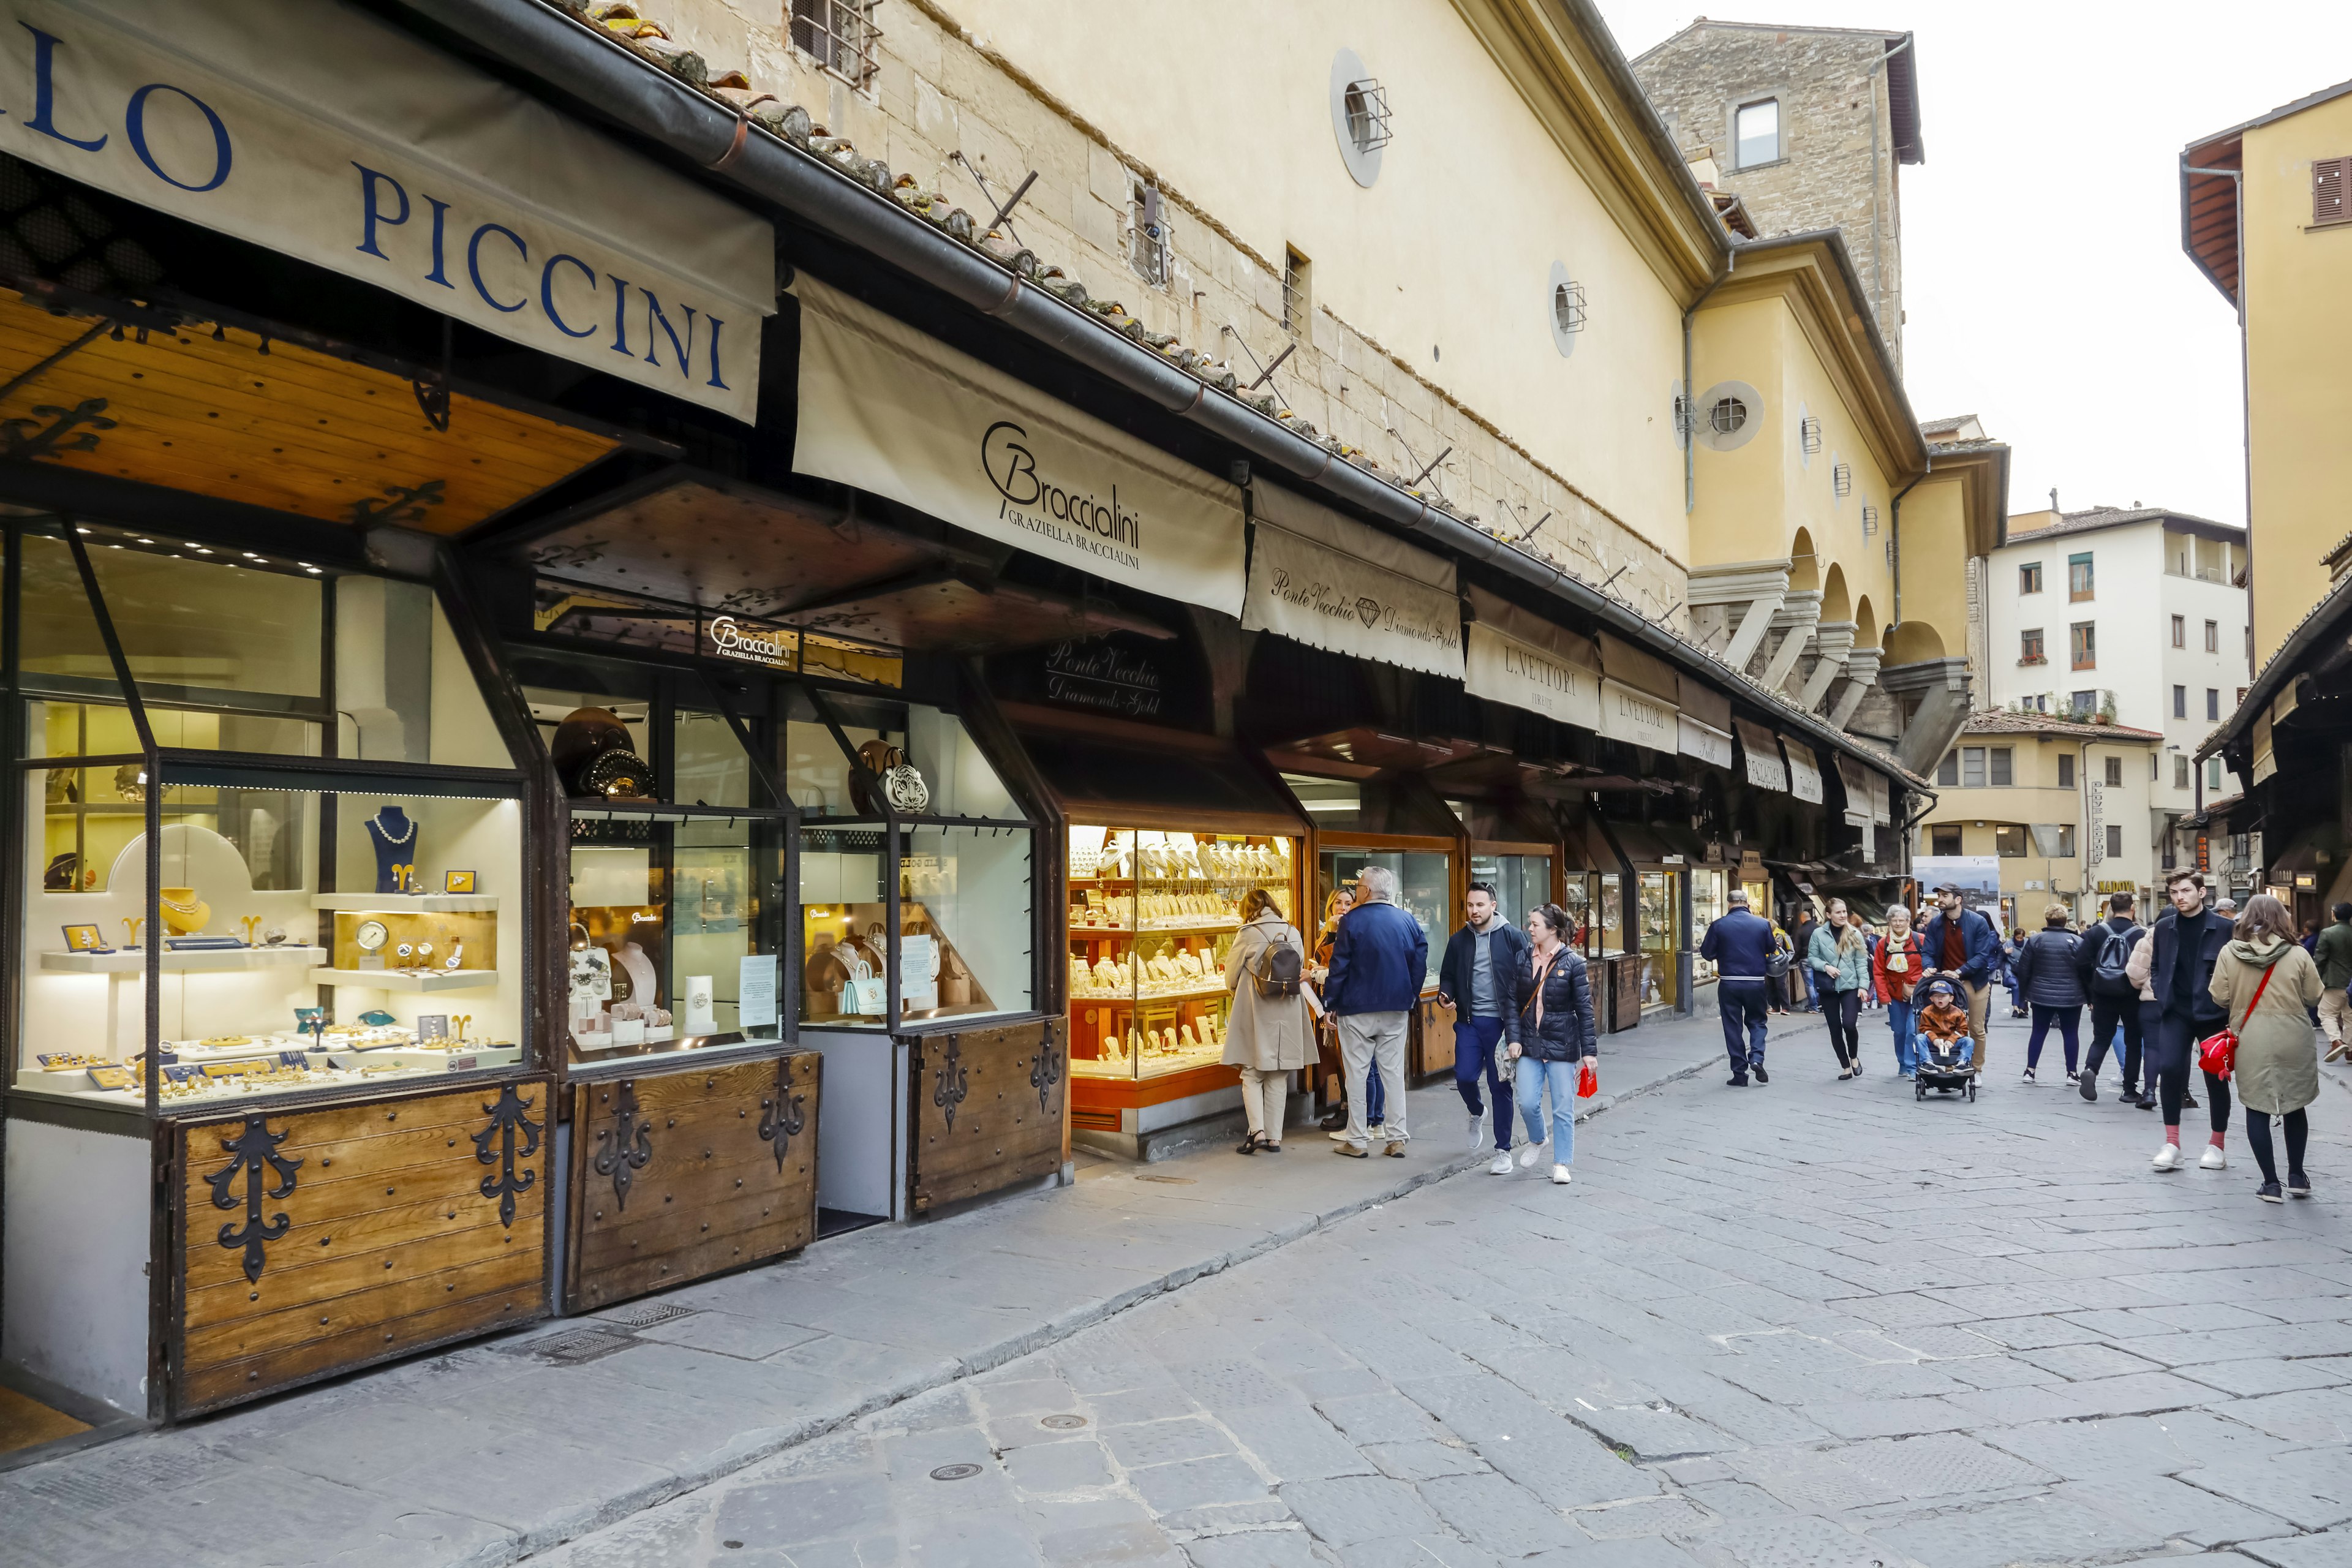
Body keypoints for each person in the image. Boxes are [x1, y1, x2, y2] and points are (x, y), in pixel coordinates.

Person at [2210, 892, 2324, 1201]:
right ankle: (2298, 1177)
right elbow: (2315, 995)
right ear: (2282, 919)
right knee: (2294, 1104)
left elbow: (2219, 996)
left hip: (2250, 1036)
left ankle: (2271, 1183)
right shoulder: (2298, 953)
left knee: (2256, 1106)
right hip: (2293, 1035)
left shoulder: (2229, 953)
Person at [2127, 869, 2233, 1172]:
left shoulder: (2226, 928)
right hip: (2175, 1011)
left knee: (2216, 1078)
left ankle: (2217, 1145)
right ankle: (2172, 1143)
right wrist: (2161, 991)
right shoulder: (2164, 927)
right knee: (2170, 1069)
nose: (2180, 897)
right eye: (2174, 893)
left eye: (2185, 891)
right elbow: (2156, 965)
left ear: (2201, 892)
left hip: (2214, 1014)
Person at [1323, 864, 1427, 1158]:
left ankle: (1357, 1139)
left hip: (1356, 1008)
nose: (1356, 891)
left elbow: (1339, 966)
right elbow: (1420, 958)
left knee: (1356, 1074)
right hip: (1396, 1007)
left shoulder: (1352, 921)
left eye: (1358, 887)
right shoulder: (1407, 920)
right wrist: (1411, 994)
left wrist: (1330, 1002)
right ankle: (1396, 1139)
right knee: (1393, 1073)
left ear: (1366, 891)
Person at [1438, 882, 1531, 1174]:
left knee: (1499, 1085)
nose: (1474, 911)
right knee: (1464, 1077)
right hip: (1468, 1022)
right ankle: (1477, 1111)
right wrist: (1445, 995)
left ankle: (1503, 1151)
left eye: (1480, 905)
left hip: (1502, 1026)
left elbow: (1527, 977)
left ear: (1493, 905)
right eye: (1470, 905)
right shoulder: (1458, 940)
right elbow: (1448, 975)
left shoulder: (1513, 937)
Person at [1503, 903, 1595, 1185]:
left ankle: (1562, 1163)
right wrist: (1514, 1039)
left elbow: (1585, 1009)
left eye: (1535, 925)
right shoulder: (1521, 959)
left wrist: (1589, 1053)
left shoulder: (1573, 963)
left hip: (1562, 1043)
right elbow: (1511, 1003)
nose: (1529, 929)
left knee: (1562, 1106)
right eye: (1530, 924)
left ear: (1552, 930)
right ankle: (1538, 1138)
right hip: (1529, 1042)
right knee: (1528, 1102)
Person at [1222, 888, 1314, 1154]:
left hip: (1256, 1010)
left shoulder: (1247, 933)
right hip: (1288, 1010)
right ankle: (1274, 1138)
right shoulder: (1292, 931)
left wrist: (1240, 992)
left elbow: (1231, 977)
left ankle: (1257, 1132)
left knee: (1252, 1073)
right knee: (1278, 1074)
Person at [2075, 892, 2150, 1106]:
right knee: (2134, 1041)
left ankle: (2091, 1069)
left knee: (2101, 1038)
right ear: (2133, 908)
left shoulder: (2096, 932)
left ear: (2111, 908)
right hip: (2132, 995)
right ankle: (2129, 1089)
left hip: (2102, 995)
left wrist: (2092, 989)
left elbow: (2080, 963)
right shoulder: (2141, 935)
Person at [1918, 886, 2000, 1076]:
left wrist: (1959, 971)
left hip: (1974, 980)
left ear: (1958, 899)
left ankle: (1976, 1070)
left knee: (1976, 1028)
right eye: (1939, 895)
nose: (1940, 899)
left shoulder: (1977, 921)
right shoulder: (1937, 924)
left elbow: (1982, 955)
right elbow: (1928, 951)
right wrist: (1929, 967)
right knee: (1945, 1027)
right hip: (1946, 983)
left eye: (1945, 896)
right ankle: (1949, 1069)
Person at [1700, 888, 1776, 1085]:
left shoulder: (1719, 925)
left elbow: (1707, 953)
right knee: (1758, 1021)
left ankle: (1739, 1074)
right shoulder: (1762, 924)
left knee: (1732, 1027)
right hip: (1756, 982)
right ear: (1747, 903)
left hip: (1729, 983)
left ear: (1728, 904)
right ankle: (1757, 1058)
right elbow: (1772, 949)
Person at [1313, 887, 1371, 1136]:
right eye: (1338, 902)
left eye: (1348, 903)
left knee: (1351, 1063)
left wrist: (1317, 971)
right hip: (1326, 1003)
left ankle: (1359, 1116)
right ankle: (1346, 1107)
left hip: (1345, 1005)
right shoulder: (1325, 932)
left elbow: (1341, 968)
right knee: (1338, 1061)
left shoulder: (1352, 932)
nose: (1343, 908)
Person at [2011, 902, 2085, 1084]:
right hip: (2071, 995)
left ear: (2047, 919)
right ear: (2065, 920)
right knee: (2070, 1033)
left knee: (2038, 1031)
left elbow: (2024, 969)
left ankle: (2030, 1070)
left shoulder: (2036, 941)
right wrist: (2089, 996)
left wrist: (2023, 997)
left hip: (2041, 994)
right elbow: (2085, 970)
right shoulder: (2077, 941)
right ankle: (2072, 1073)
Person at [1809, 898, 1870, 1079]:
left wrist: (1863, 986)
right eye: (1838, 912)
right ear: (1828, 915)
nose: (1843, 915)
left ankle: (1854, 1057)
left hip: (1850, 986)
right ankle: (1845, 1067)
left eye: (1844, 912)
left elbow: (1861, 963)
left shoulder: (1854, 934)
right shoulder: (1818, 934)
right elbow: (1812, 958)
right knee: (1835, 1029)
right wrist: (1825, 967)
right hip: (1828, 988)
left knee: (1849, 1025)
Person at [1873, 902, 1924, 1077]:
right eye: (1895, 920)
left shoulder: (1920, 940)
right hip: (1894, 994)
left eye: (1902, 920)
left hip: (1916, 993)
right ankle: (1902, 1062)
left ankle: (1911, 1067)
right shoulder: (1883, 944)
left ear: (1909, 922)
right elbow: (1878, 971)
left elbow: (1929, 964)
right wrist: (1883, 995)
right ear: (1889, 922)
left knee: (1912, 1030)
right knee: (1899, 1031)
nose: (1898, 924)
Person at [2313, 902, 2352, 1063]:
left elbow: (2320, 959)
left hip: (2334, 980)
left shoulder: (2328, 933)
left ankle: (2336, 1041)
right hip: (2351, 983)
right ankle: (2350, 1052)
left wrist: (2316, 980)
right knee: (2350, 1017)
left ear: (2334, 914)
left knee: (2326, 1013)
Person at [1789, 904, 1822, 1012]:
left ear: (1802, 919)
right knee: (1818, 983)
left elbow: (1797, 947)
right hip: (1818, 959)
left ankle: (1813, 1006)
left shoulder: (1801, 930)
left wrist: (1796, 959)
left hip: (1805, 959)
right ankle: (1819, 1003)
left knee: (1809, 984)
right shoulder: (1819, 928)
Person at [1768, 919, 1796, 1015]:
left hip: (1780, 964)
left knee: (1780, 985)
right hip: (1769, 964)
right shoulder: (1767, 935)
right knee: (1770, 985)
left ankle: (1785, 1007)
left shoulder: (1783, 935)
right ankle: (1775, 1007)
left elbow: (1791, 950)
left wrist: (1786, 961)